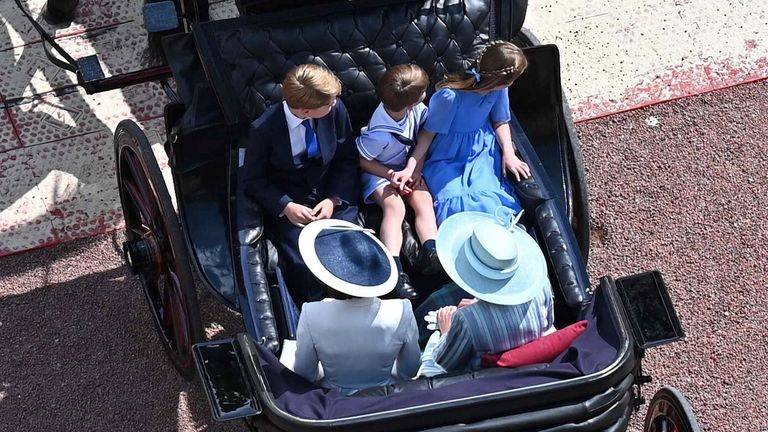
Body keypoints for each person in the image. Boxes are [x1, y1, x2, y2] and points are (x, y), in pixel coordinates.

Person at [238, 64, 360, 306]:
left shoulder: (336, 110)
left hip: (330, 193)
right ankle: (314, 313)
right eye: (330, 103)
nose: (335, 103)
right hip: (291, 201)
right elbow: (252, 179)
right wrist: (286, 206)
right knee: (304, 264)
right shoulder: (263, 130)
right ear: (306, 111)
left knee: (351, 250)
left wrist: (334, 199)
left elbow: (346, 158)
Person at [403, 40, 532, 224]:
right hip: (447, 156)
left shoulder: (498, 91)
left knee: (489, 199)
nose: (511, 85)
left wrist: (509, 154)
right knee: (456, 201)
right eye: (511, 81)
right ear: (499, 80)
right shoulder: (450, 98)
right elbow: (427, 135)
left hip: (482, 152)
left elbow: (500, 121)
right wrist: (414, 167)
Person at [292, 219, 421, 395]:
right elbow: (409, 371)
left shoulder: (311, 313)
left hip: (333, 400)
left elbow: (305, 373)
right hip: (387, 397)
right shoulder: (402, 310)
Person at [416, 209, 554, 373]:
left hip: (483, 376)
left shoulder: (466, 321)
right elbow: (548, 322)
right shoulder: (540, 285)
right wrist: (478, 305)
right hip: (533, 360)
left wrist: (445, 330)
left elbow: (444, 364)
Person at [357, 64, 441, 300]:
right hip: (380, 173)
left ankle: (431, 250)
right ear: (411, 103)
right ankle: (394, 269)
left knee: (423, 199)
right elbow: (364, 161)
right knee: (395, 208)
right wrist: (391, 175)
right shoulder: (379, 133)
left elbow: (422, 142)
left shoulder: (416, 110)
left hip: (408, 167)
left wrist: (414, 171)